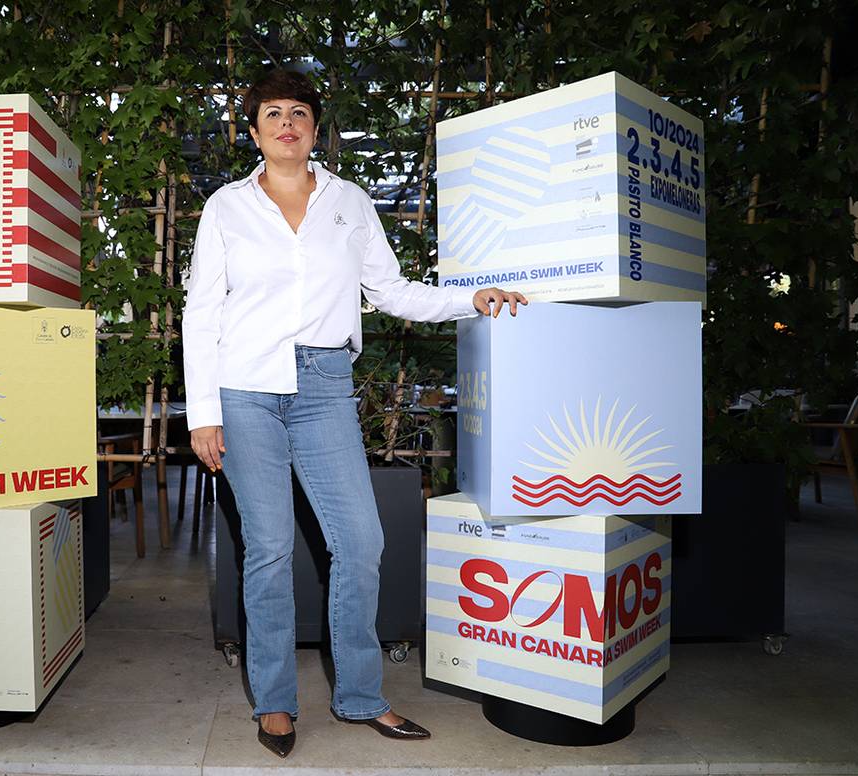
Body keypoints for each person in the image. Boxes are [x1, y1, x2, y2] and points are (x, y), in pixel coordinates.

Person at [182, 69, 526, 758]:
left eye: (299, 113)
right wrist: (203, 412)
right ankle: (275, 702)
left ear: (314, 129)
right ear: (253, 132)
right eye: (272, 114)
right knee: (271, 547)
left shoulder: (350, 202)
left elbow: (391, 289)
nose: (286, 123)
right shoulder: (226, 207)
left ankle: (360, 695)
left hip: (324, 385)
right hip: (246, 389)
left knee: (361, 542)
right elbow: (203, 309)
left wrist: (471, 299)